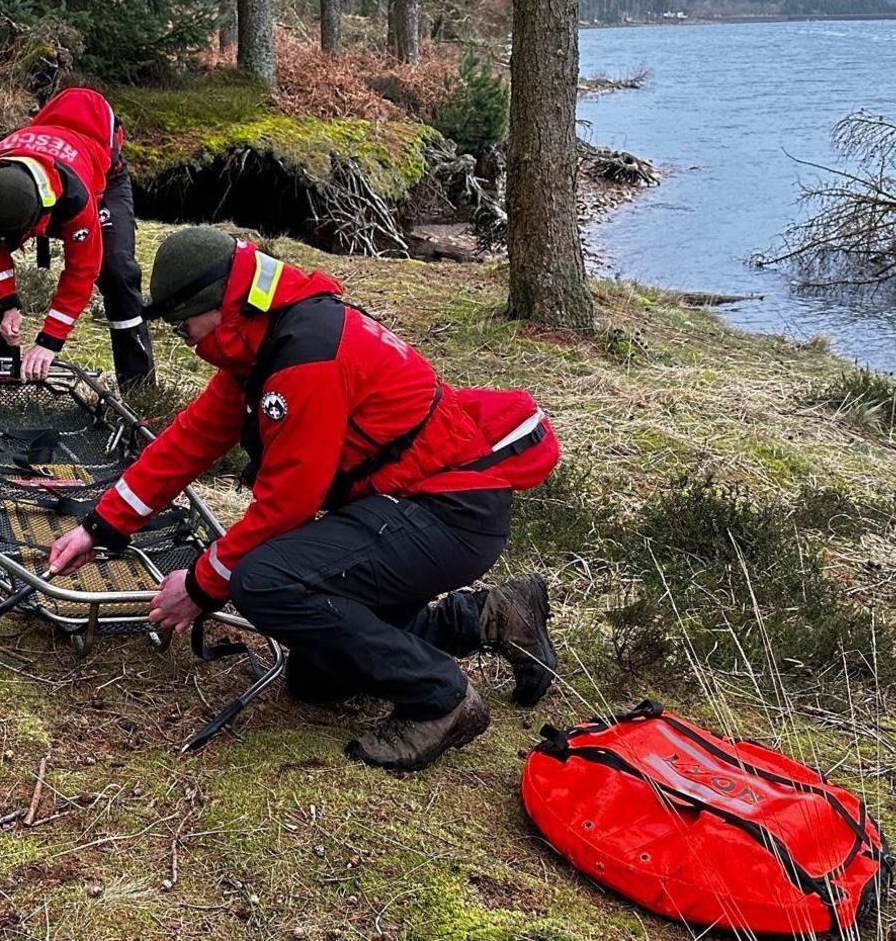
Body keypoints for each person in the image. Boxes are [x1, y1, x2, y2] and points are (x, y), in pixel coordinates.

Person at [47, 227, 557, 770]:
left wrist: (200, 584)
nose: (183, 339)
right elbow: (191, 440)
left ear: (216, 306)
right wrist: (100, 528)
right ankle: (489, 618)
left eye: (181, 324)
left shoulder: (303, 358)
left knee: (265, 582)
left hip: (446, 515)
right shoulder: (267, 341)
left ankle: (441, 699)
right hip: (411, 508)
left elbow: (286, 505)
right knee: (317, 678)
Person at [0, 88, 154, 387]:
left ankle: (141, 393)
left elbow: (81, 270)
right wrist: (7, 303)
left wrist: (50, 340)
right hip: (31, 178)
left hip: (101, 179)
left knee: (118, 273)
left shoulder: (76, 199)